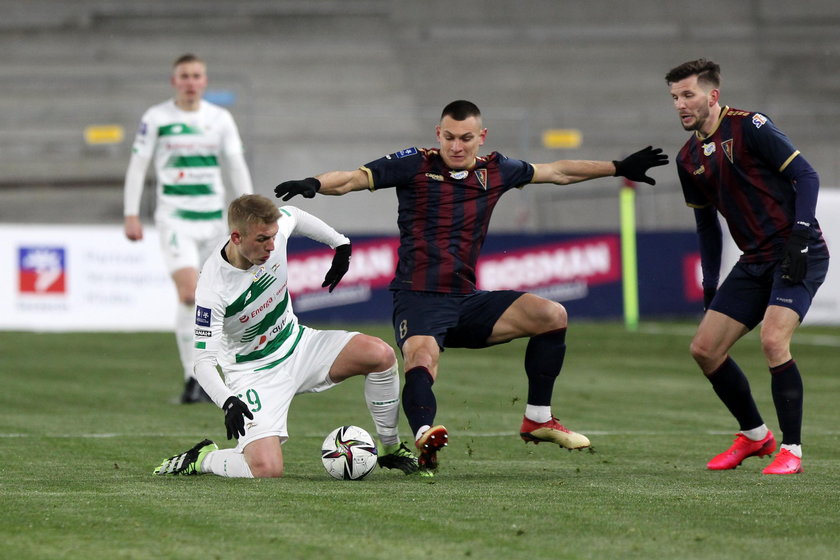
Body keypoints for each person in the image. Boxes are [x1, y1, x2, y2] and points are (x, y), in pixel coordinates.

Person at [273, 100, 668, 476]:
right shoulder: (414, 164)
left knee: (552, 315)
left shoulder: (497, 171)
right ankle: (425, 434)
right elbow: (354, 179)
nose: (456, 145)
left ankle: (538, 418)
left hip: (467, 300)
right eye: (449, 137)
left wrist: (618, 167)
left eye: (465, 138)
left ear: (482, 136)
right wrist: (314, 183)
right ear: (438, 134)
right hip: (418, 296)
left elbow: (559, 171)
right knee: (421, 359)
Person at [154, 194, 418, 478]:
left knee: (381, 355)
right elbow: (202, 362)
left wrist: (339, 243)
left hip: (299, 345)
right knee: (266, 469)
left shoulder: (274, 235)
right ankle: (204, 458)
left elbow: (294, 213)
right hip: (253, 373)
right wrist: (227, 400)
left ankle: (391, 447)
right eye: (262, 240)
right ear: (236, 237)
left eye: (274, 236)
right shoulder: (212, 288)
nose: (271, 246)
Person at [666, 59, 829, 475]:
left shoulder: (750, 125)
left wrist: (800, 234)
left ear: (712, 95)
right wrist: (709, 283)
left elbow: (806, 176)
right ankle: (756, 437)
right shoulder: (687, 159)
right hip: (754, 260)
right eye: (674, 98)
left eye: (688, 95)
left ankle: (791, 449)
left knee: (774, 342)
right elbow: (706, 225)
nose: (681, 105)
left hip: (797, 250)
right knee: (704, 349)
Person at [123, 53, 254, 404]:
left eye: (197, 75)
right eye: (184, 76)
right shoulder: (157, 118)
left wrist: (249, 211)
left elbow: (235, 165)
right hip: (175, 219)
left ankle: (216, 376)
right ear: (174, 81)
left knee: (221, 299)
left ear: (205, 81)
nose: (191, 81)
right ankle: (193, 377)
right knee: (188, 294)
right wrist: (130, 213)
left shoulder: (219, 119)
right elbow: (138, 166)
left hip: (215, 222)